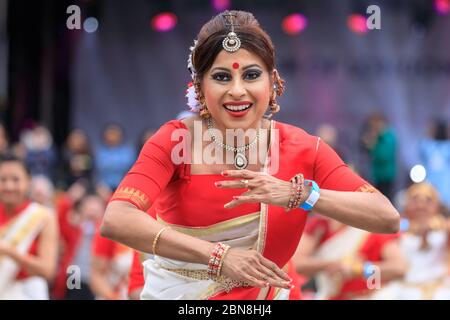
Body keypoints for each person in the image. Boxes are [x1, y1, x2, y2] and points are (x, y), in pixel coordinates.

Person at [100, 10, 400, 300]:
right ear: (200, 87)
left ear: (272, 82)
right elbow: (117, 219)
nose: (237, 90)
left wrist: (300, 195)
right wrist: (219, 256)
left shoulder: (304, 148)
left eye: (251, 75)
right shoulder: (175, 141)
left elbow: (386, 217)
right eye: (221, 77)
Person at [292, 215, 406, 299]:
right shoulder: (321, 224)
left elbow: (399, 268)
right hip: (330, 294)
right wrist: (334, 264)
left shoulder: (374, 226)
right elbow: (295, 263)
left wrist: (360, 269)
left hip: (372, 295)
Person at [373, 183, 450, 299]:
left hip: (440, 287)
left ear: (437, 205)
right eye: (415, 199)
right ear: (407, 204)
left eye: (428, 200)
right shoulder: (396, 232)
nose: (421, 205)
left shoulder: (444, 230)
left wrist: (438, 226)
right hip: (404, 288)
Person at [0, 154, 59, 299]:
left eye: (16, 180)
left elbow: (47, 270)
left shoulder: (43, 216)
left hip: (27, 292)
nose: (9, 186)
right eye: (3, 180)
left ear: (28, 182)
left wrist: (10, 252)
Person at [361, 112, 397, 200]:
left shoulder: (388, 137)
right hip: (376, 174)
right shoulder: (378, 137)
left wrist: (373, 146)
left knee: (385, 198)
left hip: (386, 175)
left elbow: (384, 156)